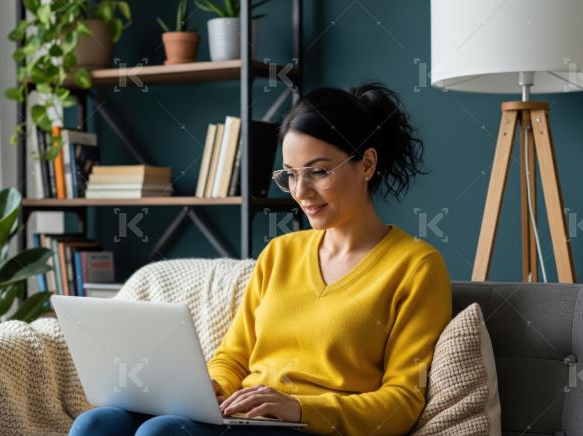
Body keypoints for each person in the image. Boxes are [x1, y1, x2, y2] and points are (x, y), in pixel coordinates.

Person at [69, 82, 452, 436]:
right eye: (290, 175)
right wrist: (212, 388)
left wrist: (299, 408)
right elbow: (232, 358)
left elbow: (403, 401)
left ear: (366, 164)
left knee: (162, 433)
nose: (301, 192)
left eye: (318, 172)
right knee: (96, 423)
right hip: (244, 417)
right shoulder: (280, 253)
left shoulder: (415, 267)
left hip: (308, 429)